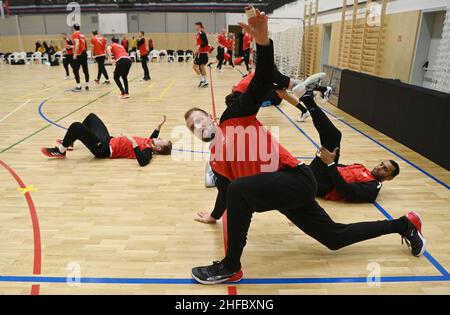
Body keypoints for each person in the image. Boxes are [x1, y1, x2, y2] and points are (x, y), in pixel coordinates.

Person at [184, 6, 425, 285]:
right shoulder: (216, 158)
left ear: (211, 118)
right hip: (280, 192)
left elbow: (262, 79)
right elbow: (225, 193)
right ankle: (404, 224)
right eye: (192, 127)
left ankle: (230, 266)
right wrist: (214, 217)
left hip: (295, 179)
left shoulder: (233, 116)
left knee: (241, 190)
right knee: (334, 238)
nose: (198, 126)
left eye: (200, 119)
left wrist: (262, 42)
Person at [299, 89, 400, 203]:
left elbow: (345, 191)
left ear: (389, 178)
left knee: (334, 136)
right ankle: (308, 101)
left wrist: (330, 163)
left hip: (324, 186)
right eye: (381, 164)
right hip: (322, 175)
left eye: (385, 169)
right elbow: (340, 168)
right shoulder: (361, 167)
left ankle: (308, 101)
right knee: (331, 138)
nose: (379, 167)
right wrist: (329, 161)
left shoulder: (372, 188)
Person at [40, 114, 172, 167]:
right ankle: (70, 141)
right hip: (107, 140)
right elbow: (153, 135)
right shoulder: (150, 141)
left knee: (76, 126)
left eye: (161, 140)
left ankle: (60, 151)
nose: (158, 138)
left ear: (158, 148)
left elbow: (143, 162)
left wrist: (132, 141)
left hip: (103, 149)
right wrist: (159, 126)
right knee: (91, 118)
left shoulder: (148, 150)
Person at [71, 24, 90, 92]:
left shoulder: (75, 34)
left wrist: (75, 54)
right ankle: (87, 84)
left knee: (75, 70)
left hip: (79, 54)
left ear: (74, 28)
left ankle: (78, 86)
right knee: (85, 69)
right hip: (84, 53)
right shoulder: (82, 34)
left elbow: (77, 44)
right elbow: (84, 43)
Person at [193, 22, 209, 88]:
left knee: (194, 66)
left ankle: (202, 80)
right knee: (202, 67)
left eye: (196, 26)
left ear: (199, 26)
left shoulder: (201, 33)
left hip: (202, 53)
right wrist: (197, 50)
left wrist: (199, 46)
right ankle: (206, 81)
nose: (195, 27)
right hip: (200, 53)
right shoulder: (197, 34)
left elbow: (206, 42)